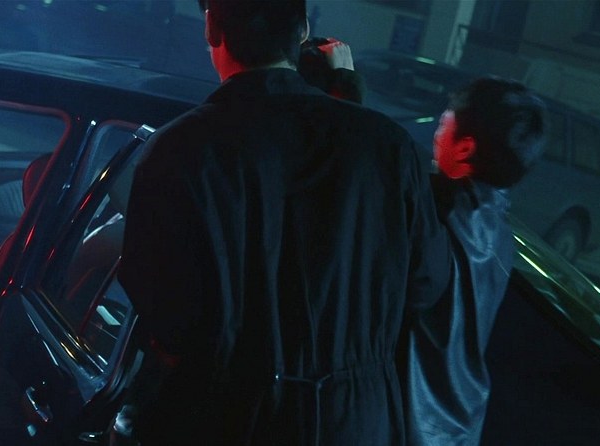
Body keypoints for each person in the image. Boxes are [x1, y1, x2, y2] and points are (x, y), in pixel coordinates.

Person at [111, 1, 451, 445]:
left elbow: (164, 307)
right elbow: (425, 282)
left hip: (227, 416)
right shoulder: (388, 146)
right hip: (356, 419)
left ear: (212, 28)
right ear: (303, 30)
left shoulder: (180, 150)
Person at [404, 77, 546, 446]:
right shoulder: (501, 232)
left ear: (465, 147)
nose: (436, 135)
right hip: (461, 425)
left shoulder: (438, 212)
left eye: (443, 124)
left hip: (412, 419)